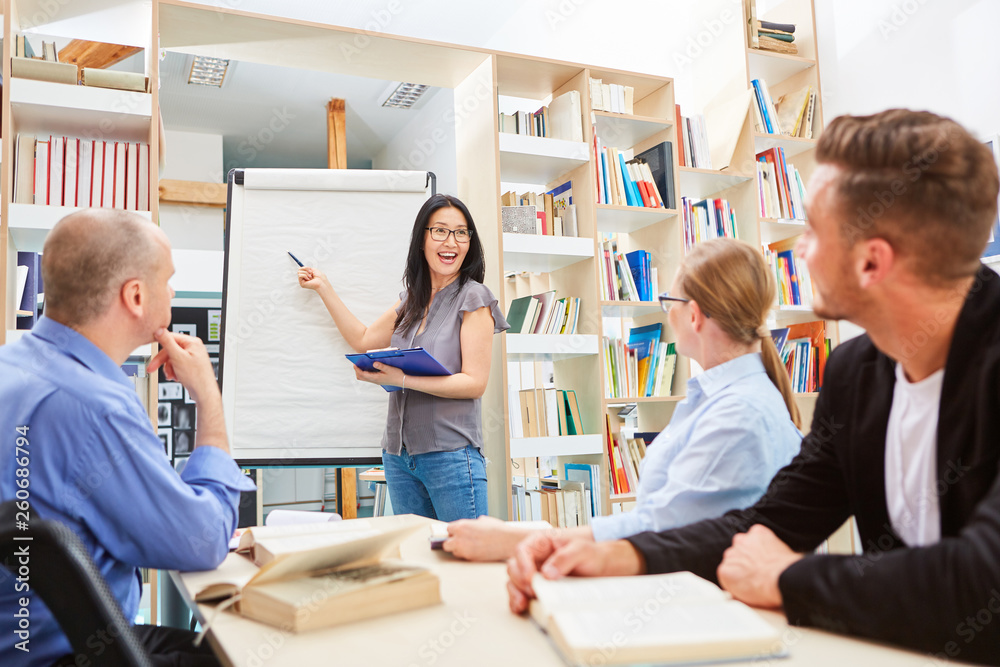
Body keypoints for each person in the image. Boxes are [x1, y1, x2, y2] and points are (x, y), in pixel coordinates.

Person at [507, 110, 1000, 664]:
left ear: (870, 262)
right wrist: (612, 554)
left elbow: (983, 582)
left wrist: (789, 578)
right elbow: (766, 524)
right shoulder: (855, 373)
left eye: (813, 230)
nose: (800, 250)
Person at [0, 209, 255, 667]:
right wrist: (208, 396)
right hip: (64, 653)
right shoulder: (94, 406)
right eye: (169, 280)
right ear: (136, 296)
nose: (173, 291)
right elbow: (203, 541)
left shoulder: (10, 367)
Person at [443, 238, 802, 561]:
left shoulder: (738, 413)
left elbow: (657, 530)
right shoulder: (731, 398)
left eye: (668, 302)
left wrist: (519, 540)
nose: (667, 313)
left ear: (693, 315)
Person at [298, 194, 508, 520]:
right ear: (422, 239)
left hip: (450, 456)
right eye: (440, 231)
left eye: (461, 232)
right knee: (418, 559)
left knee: (465, 563)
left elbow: (474, 383)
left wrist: (402, 379)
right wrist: (324, 287)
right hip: (398, 457)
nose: (451, 241)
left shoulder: (474, 297)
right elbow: (363, 339)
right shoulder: (412, 300)